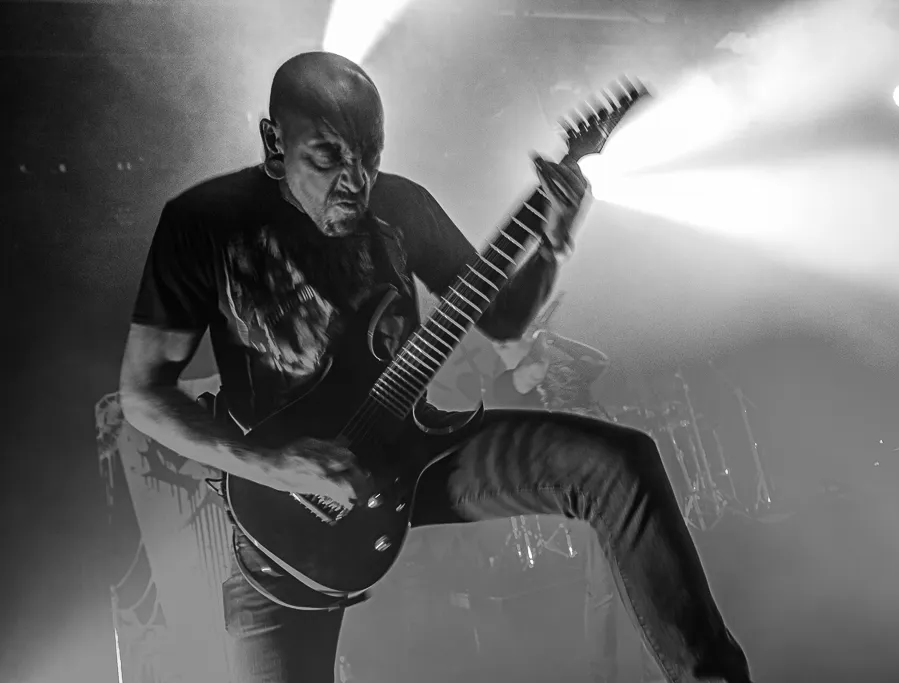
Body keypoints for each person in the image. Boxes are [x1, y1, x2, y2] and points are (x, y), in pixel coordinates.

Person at [118, 51, 751, 683]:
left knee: (620, 462)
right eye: (329, 156)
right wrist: (273, 466)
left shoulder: (401, 206)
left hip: (413, 450)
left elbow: (502, 320)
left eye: (370, 155)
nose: (356, 181)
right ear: (274, 141)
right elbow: (144, 395)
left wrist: (552, 246)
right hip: (285, 511)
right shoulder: (204, 222)